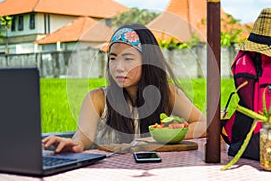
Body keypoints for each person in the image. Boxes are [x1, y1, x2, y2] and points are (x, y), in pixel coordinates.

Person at [43, 23, 206, 153]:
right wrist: (75, 143)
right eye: (113, 58)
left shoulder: (167, 93)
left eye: (128, 59)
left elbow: (205, 124)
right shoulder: (97, 98)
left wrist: (162, 137)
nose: (118, 67)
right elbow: (84, 135)